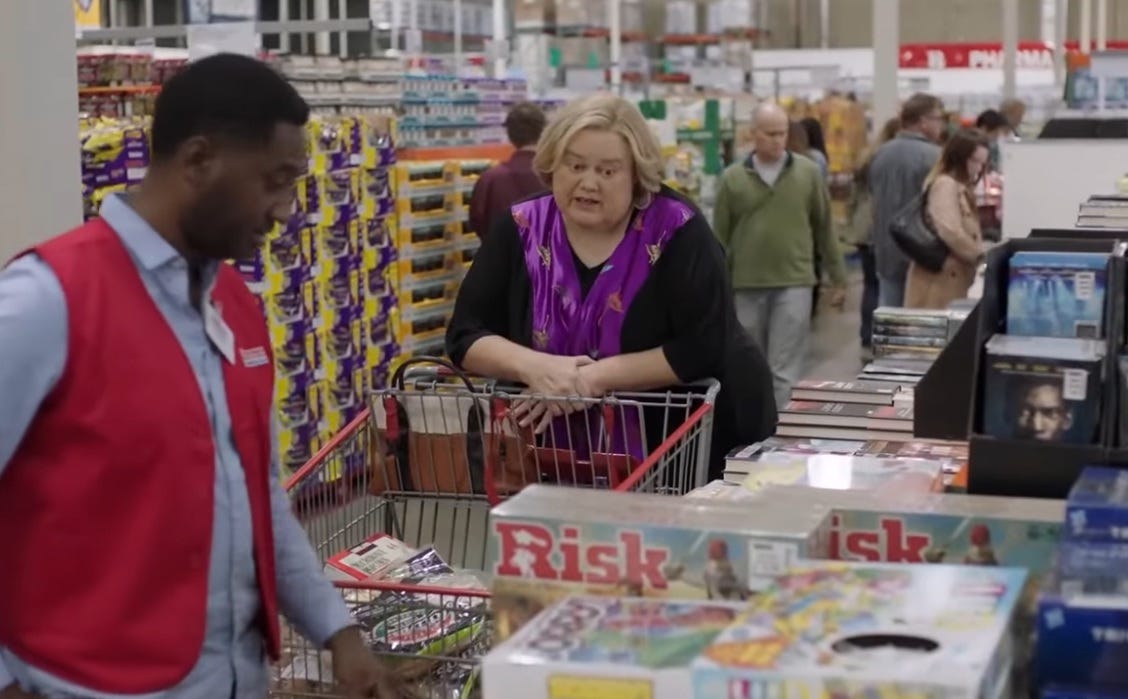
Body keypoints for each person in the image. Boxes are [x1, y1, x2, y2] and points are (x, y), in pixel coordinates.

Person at [0, 54, 397, 699]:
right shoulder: (48, 298)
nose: (285, 211)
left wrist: (338, 634)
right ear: (198, 161)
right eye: (274, 181)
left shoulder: (236, 309)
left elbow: (259, 499)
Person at [445, 93, 777, 482]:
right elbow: (466, 335)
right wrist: (538, 367)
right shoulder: (519, 228)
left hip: (688, 450)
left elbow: (703, 345)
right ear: (554, 163)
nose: (588, 182)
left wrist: (589, 380)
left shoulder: (680, 232)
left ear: (637, 175)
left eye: (607, 171)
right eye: (576, 165)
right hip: (555, 459)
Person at [714, 102, 847, 410]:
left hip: (795, 282)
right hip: (745, 284)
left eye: (782, 133)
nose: (777, 140)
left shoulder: (808, 173)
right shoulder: (732, 179)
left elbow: (824, 227)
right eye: (770, 133)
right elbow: (718, 238)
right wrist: (716, 287)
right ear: (753, 134)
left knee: (784, 369)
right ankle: (750, 432)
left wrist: (838, 278)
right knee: (749, 365)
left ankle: (777, 436)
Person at [868, 93, 944, 308]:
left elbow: (873, 200)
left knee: (889, 319)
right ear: (923, 121)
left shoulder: (880, 154)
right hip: (921, 253)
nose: (942, 125)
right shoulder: (935, 156)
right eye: (938, 119)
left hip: (886, 249)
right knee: (918, 323)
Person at [904, 128, 988, 310]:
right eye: (975, 161)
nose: (979, 168)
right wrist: (979, 255)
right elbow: (950, 230)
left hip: (951, 277)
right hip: (938, 280)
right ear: (959, 157)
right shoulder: (945, 185)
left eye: (982, 163)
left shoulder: (961, 187)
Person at [841, 116, 900, 354]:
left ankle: (866, 335)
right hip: (880, 225)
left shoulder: (867, 158)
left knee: (870, 284)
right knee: (882, 283)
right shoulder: (890, 160)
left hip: (863, 226)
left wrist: (850, 225)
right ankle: (879, 335)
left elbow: (853, 197)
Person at [468, 102, 547, 238]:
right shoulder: (556, 176)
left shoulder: (490, 180)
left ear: (510, 135)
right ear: (544, 132)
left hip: (500, 257)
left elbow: (477, 222)